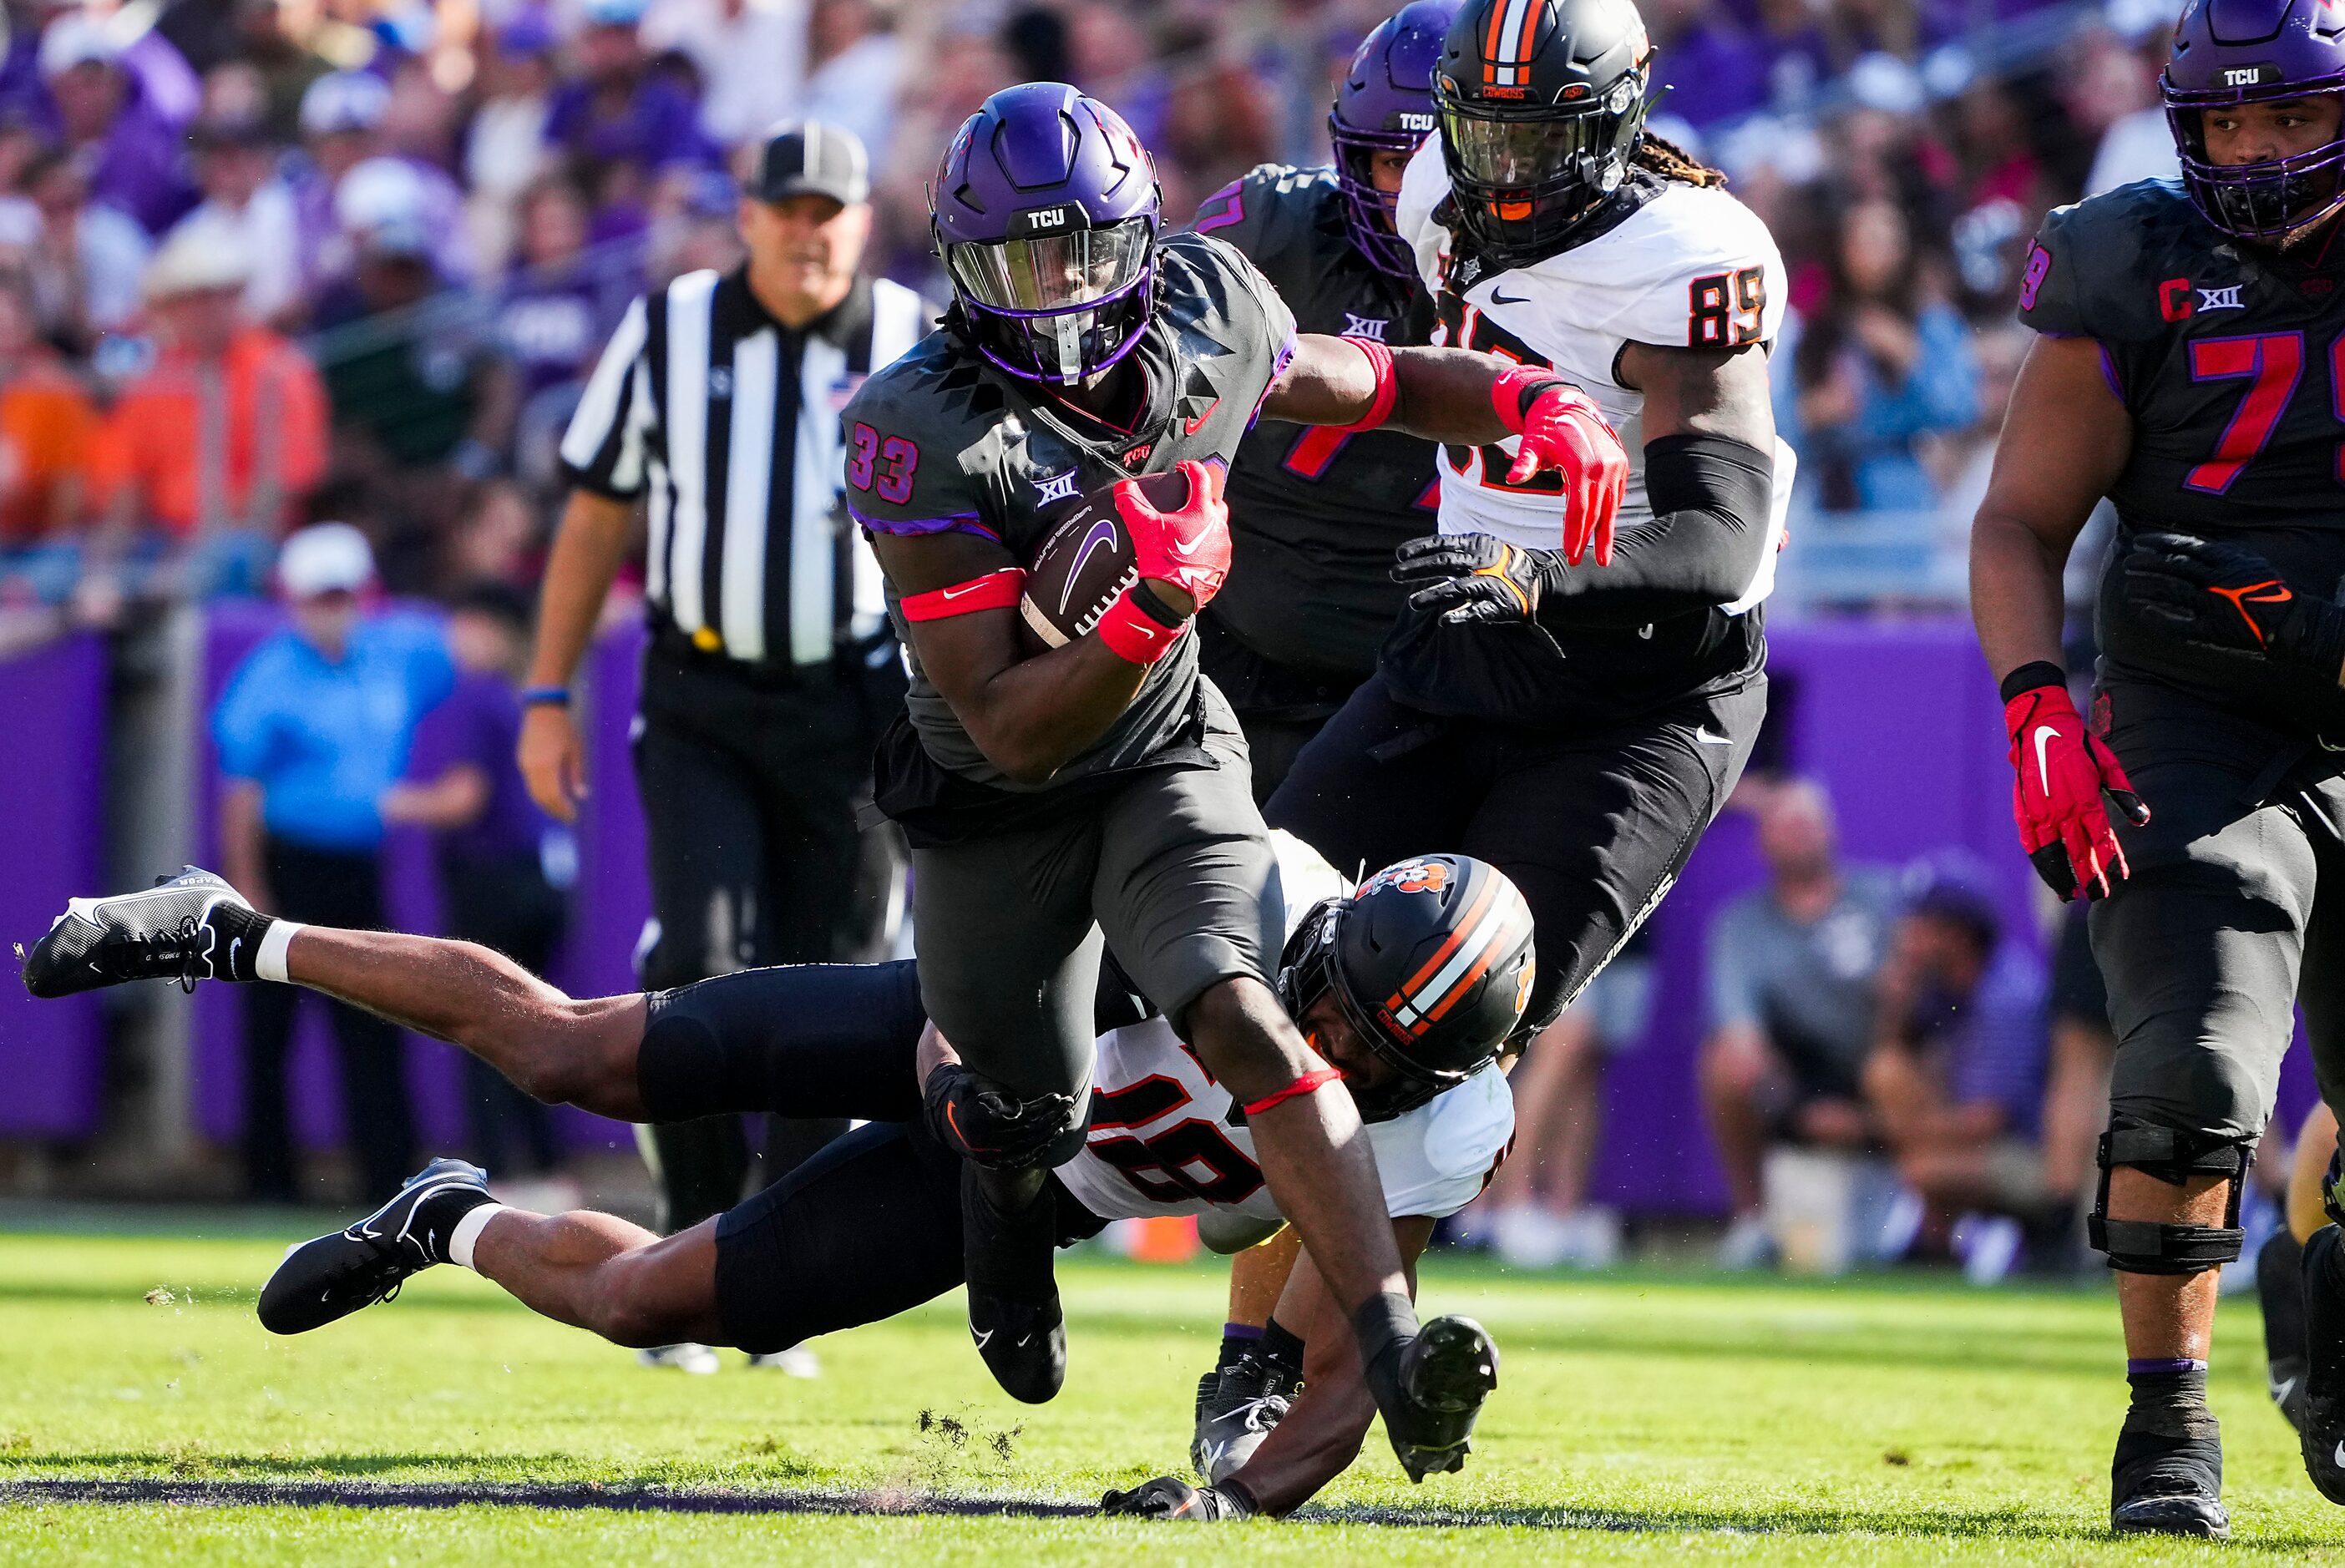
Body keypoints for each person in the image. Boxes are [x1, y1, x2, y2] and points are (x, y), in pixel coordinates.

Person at [838, 78, 1622, 1470]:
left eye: (1082, 252)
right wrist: (1142, 603)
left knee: (1242, 1004)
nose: (1061, 294)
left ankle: (1374, 1351)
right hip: (991, 781)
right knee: (1001, 1089)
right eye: (1023, 263)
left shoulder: (1211, 307)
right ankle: (1003, 1226)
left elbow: (1372, 382)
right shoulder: (919, 422)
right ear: (961, 275)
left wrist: (1516, 398)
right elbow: (1007, 724)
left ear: (1139, 241)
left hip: (1168, 742)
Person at [18, 842, 1531, 1524]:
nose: (1316, 1048)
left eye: (1362, 1055)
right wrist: (968, 1098)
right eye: (1317, 1003)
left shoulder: (1443, 1125)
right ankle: (225, 928)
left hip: (1039, 1187)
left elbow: (1348, 1365)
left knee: (642, 1297)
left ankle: (444, 1213)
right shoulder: (1245, 890)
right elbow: (997, 981)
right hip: (963, 1039)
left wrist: (1227, 1503)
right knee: (575, 1056)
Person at [1263, 0, 1792, 1291]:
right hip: (1462, 645)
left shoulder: (1690, 252)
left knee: (1436, 1031)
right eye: (1481, 137)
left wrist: (1536, 571)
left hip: (1643, 691)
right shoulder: (1432, 175)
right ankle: (1239, 1312)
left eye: (1537, 143)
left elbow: (1720, 544)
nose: (1500, 174)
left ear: (1615, 127)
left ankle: (1290, 1366)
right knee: (1258, 945)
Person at [1967, 0, 2345, 1532]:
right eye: (2231, 123)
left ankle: (2317, 1326)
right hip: (2196, 711)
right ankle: (2164, 1427)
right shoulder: (2132, 257)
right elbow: (2016, 519)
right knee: (2191, 1062)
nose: (2257, 153)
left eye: (2292, 119)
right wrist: (2033, 704)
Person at [526, 122, 933, 1375]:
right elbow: (597, 511)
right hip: (702, 689)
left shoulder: (914, 336)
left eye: (831, 210)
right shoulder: (670, 330)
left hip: (861, 705)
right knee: (698, 957)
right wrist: (548, 689)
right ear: (746, 216)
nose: (808, 230)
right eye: (787, 207)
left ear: (863, 222)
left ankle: (774, 1275)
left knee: (839, 985)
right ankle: (688, 1234)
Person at [1176, 3, 1461, 1428]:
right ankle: (1006, 1228)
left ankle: (1261, 1364)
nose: (1397, 188)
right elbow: (1142, 357)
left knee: (1342, 1046)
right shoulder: (1270, 227)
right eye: (1378, 156)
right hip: (1216, 673)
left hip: (1398, 700)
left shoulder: (1536, 264)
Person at [210, 524, 454, 1201]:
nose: (332, 608)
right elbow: (241, 791)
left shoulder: (395, 653)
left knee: (376, 1021)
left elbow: (475, 643)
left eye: (342, 594)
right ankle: (267, 1184)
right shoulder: (269, 673)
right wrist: (249, 888)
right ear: (294, 600)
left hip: (358, 867)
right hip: (288, 865)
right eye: (320, 596)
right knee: (272, 1029)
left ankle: (390, 1178)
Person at [382, 581, 570, 1185]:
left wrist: (383, 803)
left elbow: (464, 800)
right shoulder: (523, 703)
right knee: (538, 1027)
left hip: (494, 883)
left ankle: (498, 1178)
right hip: (543, 881)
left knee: (482, 1029)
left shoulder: (474, 699)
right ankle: (549, 1171)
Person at [1699, 779, 1900, 1267]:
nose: (1798, 836)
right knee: (1723, 1063)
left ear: (1831, 831)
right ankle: (1754, 1220)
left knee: (1898, 1065)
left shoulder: (1884, 900)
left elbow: (1928, 1002)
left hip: (1885, 1064)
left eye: (1807, 824)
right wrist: (1793, 1106)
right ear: (1762, 841)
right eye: (1784, 826)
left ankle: (1931, 1225)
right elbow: (1739, 1029)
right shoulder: (1740, 923)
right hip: (1801, 1072)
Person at [85, 218, 329, 599]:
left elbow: (284, 489)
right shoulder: (155, 382)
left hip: (251, 541)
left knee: (225, 558)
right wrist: (100, 570)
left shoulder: (279, 369)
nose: (207, 309)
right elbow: (123, 490)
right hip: (164, 542)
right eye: (192, 299)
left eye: (218, 295)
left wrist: (202, 540)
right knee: (58, 570)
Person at [1861, 875, 2052, 1277]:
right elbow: (1889, 1058)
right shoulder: (1944, 985)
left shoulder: (2006, 997)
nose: (1907, 937)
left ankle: (1959, 1243)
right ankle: (1939, 1241)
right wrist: (1896, 1003)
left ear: (1958, 936)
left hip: (2035, 1157)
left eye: (1922, 925)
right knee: (1887, 1073)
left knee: (1922, 1168)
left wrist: (1871, 1131)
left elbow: (1990, 1120)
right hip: (1979, 1137)